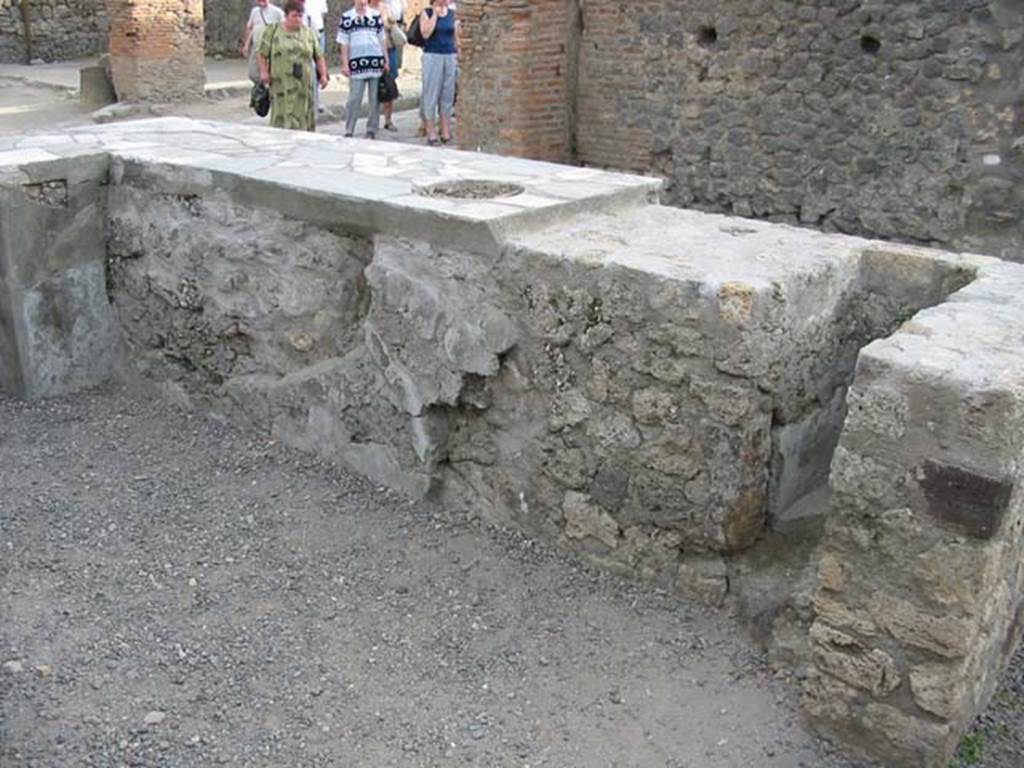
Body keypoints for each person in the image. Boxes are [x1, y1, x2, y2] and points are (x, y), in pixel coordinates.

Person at [258, 0, 330, 132]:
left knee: (303, 112)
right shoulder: (273, 31)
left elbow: (319, 56)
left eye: (300, 16)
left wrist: (323, 75)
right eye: (294, 16)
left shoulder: (309, 33)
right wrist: (263, 72)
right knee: (283, 111)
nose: (297, 19)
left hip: (303, 83)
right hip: (281, 83)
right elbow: (262, 54)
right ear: (286, 16)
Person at [337, 0, 388, 139]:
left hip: (375, 62)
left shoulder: (375, 16)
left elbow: (382, 39)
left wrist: (385, 58)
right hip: (356, 64)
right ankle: (349, 129)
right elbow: (343, 42)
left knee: (374, 99)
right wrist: (345, 63)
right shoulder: (347, 17)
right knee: (354, 98)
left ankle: (372, 129)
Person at [419, 0, 457, 145]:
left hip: (449, 55)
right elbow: (425, 33)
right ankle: (430, 130)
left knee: (447, 94)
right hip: (432, 55)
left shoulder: (452, 13)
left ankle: (445, 129)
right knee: (431, 93)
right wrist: (435, 14)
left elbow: (455, 35)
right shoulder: (427, 12)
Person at [370, 0, 399, 131]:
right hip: (370, 51)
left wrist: (389, 21)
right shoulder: (364, 9)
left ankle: (388, 119)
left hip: (388, 49)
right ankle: (373, 120)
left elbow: (395, 24)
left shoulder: (387, 8)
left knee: (389, 85)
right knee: (373, 87)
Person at [241, 0, 285, 85]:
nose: (261, 2)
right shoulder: (255, 11)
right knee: (253, 73)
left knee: (269, 72)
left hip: (270, 48)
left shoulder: (277, 12)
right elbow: (250, 28)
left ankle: (268, 88)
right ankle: (264, 87)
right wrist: (246, 45)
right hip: (256, 46)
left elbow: (284, 28)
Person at [303, 0, 329, 113]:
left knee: (318, 68)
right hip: (305, 34)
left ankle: (316, 99)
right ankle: (311, 100)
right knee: (310, 67)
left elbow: (322, 15)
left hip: (319, 33)